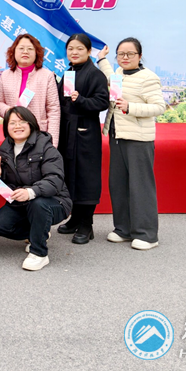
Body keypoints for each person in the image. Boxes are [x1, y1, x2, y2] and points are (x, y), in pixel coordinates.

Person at [97, 38, 166, 251]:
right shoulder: (119, 74)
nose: (125, 57)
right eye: (121, 54)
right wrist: (102, 60)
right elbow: (110, 77)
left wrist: (131, 107)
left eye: (130, 53)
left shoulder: (148, 77)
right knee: (118, 185)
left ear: (139, 56)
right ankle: (123, 229)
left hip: (139, 139)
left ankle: (147, 234)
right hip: (117, 136)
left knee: (140, 186)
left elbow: (159, 107)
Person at [0, 107, 72, 271]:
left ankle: (39, 253)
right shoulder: (5, 149)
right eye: (12, 123)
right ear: (6, 127)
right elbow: (6, 185)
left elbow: (55, 180)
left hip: (55, 200)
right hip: (21, 203)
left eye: (22, 122)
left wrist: (30, 192)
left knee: (38, 203)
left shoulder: (46, 147)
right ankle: (38, 232)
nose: (17, 126)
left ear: (31, 124)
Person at [55, 33, 110, 245]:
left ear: (88, 51)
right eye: (71, 49)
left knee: (86, 177)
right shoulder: (68, 72)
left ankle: (87, 224)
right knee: (71, 175)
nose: (74, 52)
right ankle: (75, 218)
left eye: (79, 48)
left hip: (86, 132)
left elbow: (102, 102)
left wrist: (81, 100)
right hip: (67, 131)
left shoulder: (95, 74)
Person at [0, 34, 61, 147]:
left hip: (39, 134)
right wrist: (9, 111)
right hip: (14, 134)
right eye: (21, 48)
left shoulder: (47, 76)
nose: (25, 52)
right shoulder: (5, 75)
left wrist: (52, 143)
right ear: (13, 52)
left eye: (30, 49)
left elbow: (53, 110)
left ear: (36, 53)